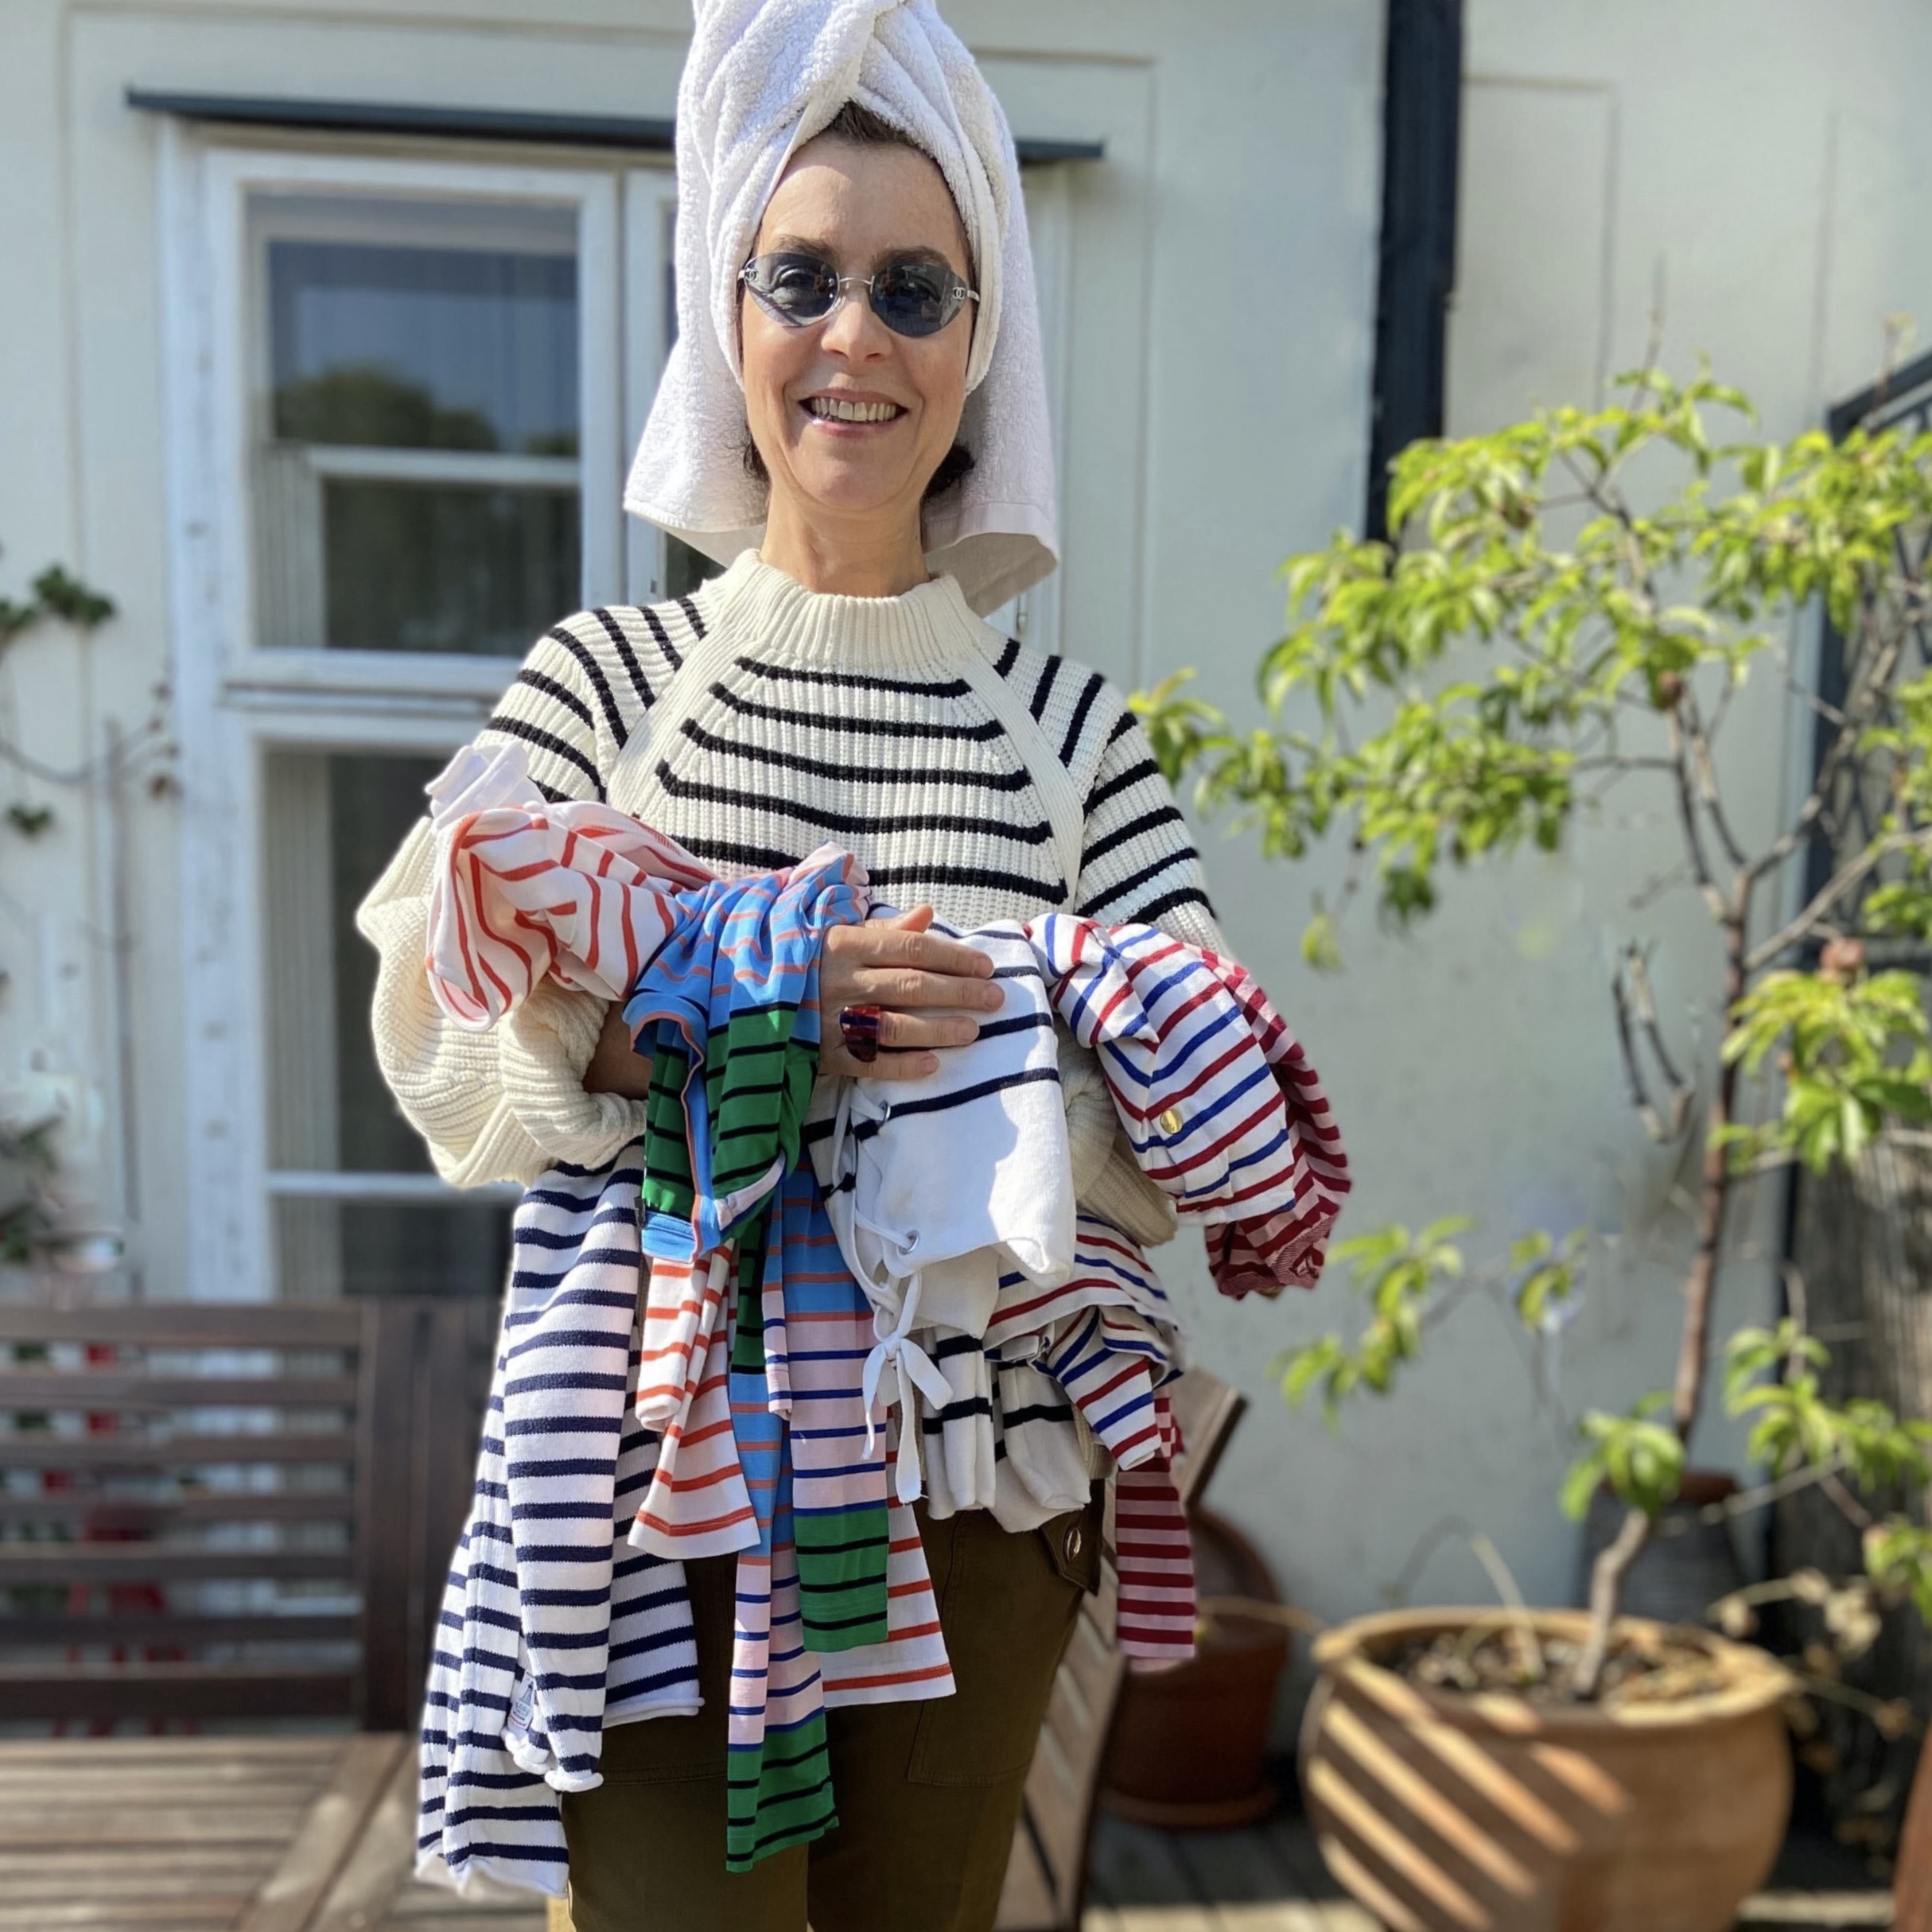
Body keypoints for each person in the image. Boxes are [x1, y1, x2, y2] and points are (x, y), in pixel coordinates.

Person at [358, 4, 1228, 1926]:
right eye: (802, 275)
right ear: (723, 313)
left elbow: (1196, 1136)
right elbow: (431, 1029)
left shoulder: (1075, 737)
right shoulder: (606, 687)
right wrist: (706, 1014)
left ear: (981, 343)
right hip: (660, 1487)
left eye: (917, 286)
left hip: (982, 1497)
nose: (857, 335)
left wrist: (1007, 1053)